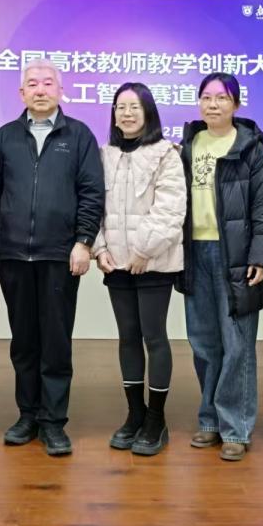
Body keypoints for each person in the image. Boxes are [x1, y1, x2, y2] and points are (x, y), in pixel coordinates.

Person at [0, 59, 104, 456]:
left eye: (47, 83)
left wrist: (83, 241)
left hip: (59, 255)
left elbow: (91, 193)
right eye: (32, 84)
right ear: (21, 93)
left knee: (55, 341)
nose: (40, 89)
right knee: (23, 341)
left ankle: (53, 422)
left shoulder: (79, 135)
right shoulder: (5, 137)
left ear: (60, 90)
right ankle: (27, 416)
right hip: (14, 255)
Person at [177, 72, 263, 462]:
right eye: (206, 97)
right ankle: (210, 420)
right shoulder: (188, 146)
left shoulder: (250, 148)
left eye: (221, 97)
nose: (213, 104)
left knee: (237, 344)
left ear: (236, 104)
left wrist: (260, 257)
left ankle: (235, 427)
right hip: (195, 253)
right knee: (204, 342)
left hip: (235, 256)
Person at [93, 83, 186, 456]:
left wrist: (144, 251)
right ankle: (134, 414)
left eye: (134, 107)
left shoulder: (166, 154)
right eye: (120, 107)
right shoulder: (104, 155)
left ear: (148, 112)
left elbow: (171, 210)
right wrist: (100, 249)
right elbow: (92, 205)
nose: (127, 113)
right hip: (115, 263)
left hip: (154, 263)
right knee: (127, 337)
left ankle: (156, 419)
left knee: (154, 337)